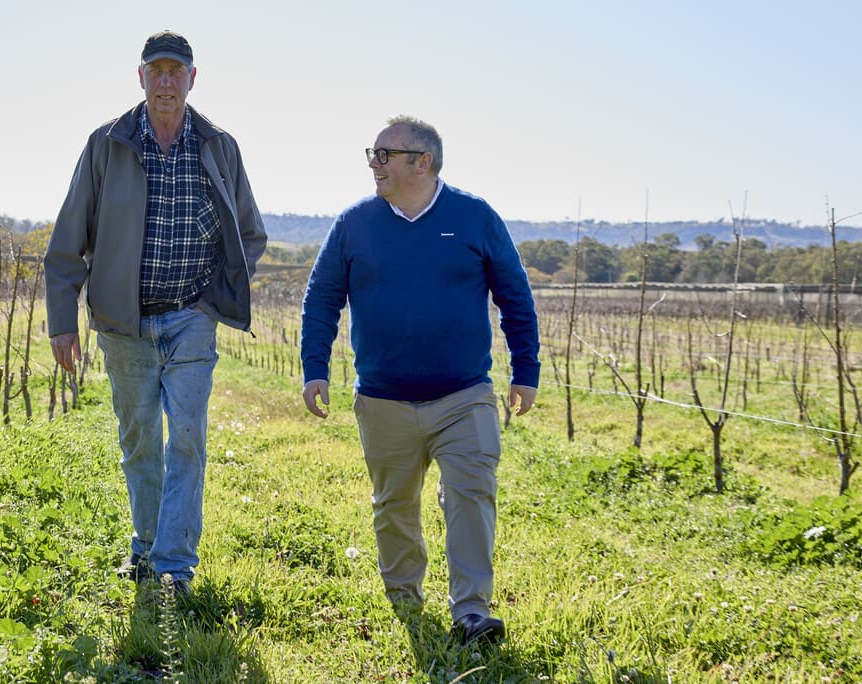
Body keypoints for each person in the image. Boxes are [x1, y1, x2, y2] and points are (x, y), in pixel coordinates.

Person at [299, 116, 539, 644]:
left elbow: (514, 296)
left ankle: (472, 611)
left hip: (464, 394)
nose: (372, 163)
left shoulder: (474, 217)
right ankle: (405, 599)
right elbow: (321, 297)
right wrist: (314, 367)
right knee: (394, 504)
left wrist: (526, 369)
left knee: (471, 491)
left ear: (421, 161)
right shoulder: (354, 224)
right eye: (372, 153)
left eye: (384, 154)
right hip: (383, 397)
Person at [43, 30, 267, 595]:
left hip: (191, 316)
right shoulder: (107, 145)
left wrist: (212, 297)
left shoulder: (219, 146)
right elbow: (70, 237)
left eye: (177, 71)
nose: (166, 81)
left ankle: (173, 567)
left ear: (193, 79)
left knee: (187, 437)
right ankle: (145, 547)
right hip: (123, 322)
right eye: (155, 70)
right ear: (139, 77)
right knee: (140, 438)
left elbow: (250, 234)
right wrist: (62, 320)